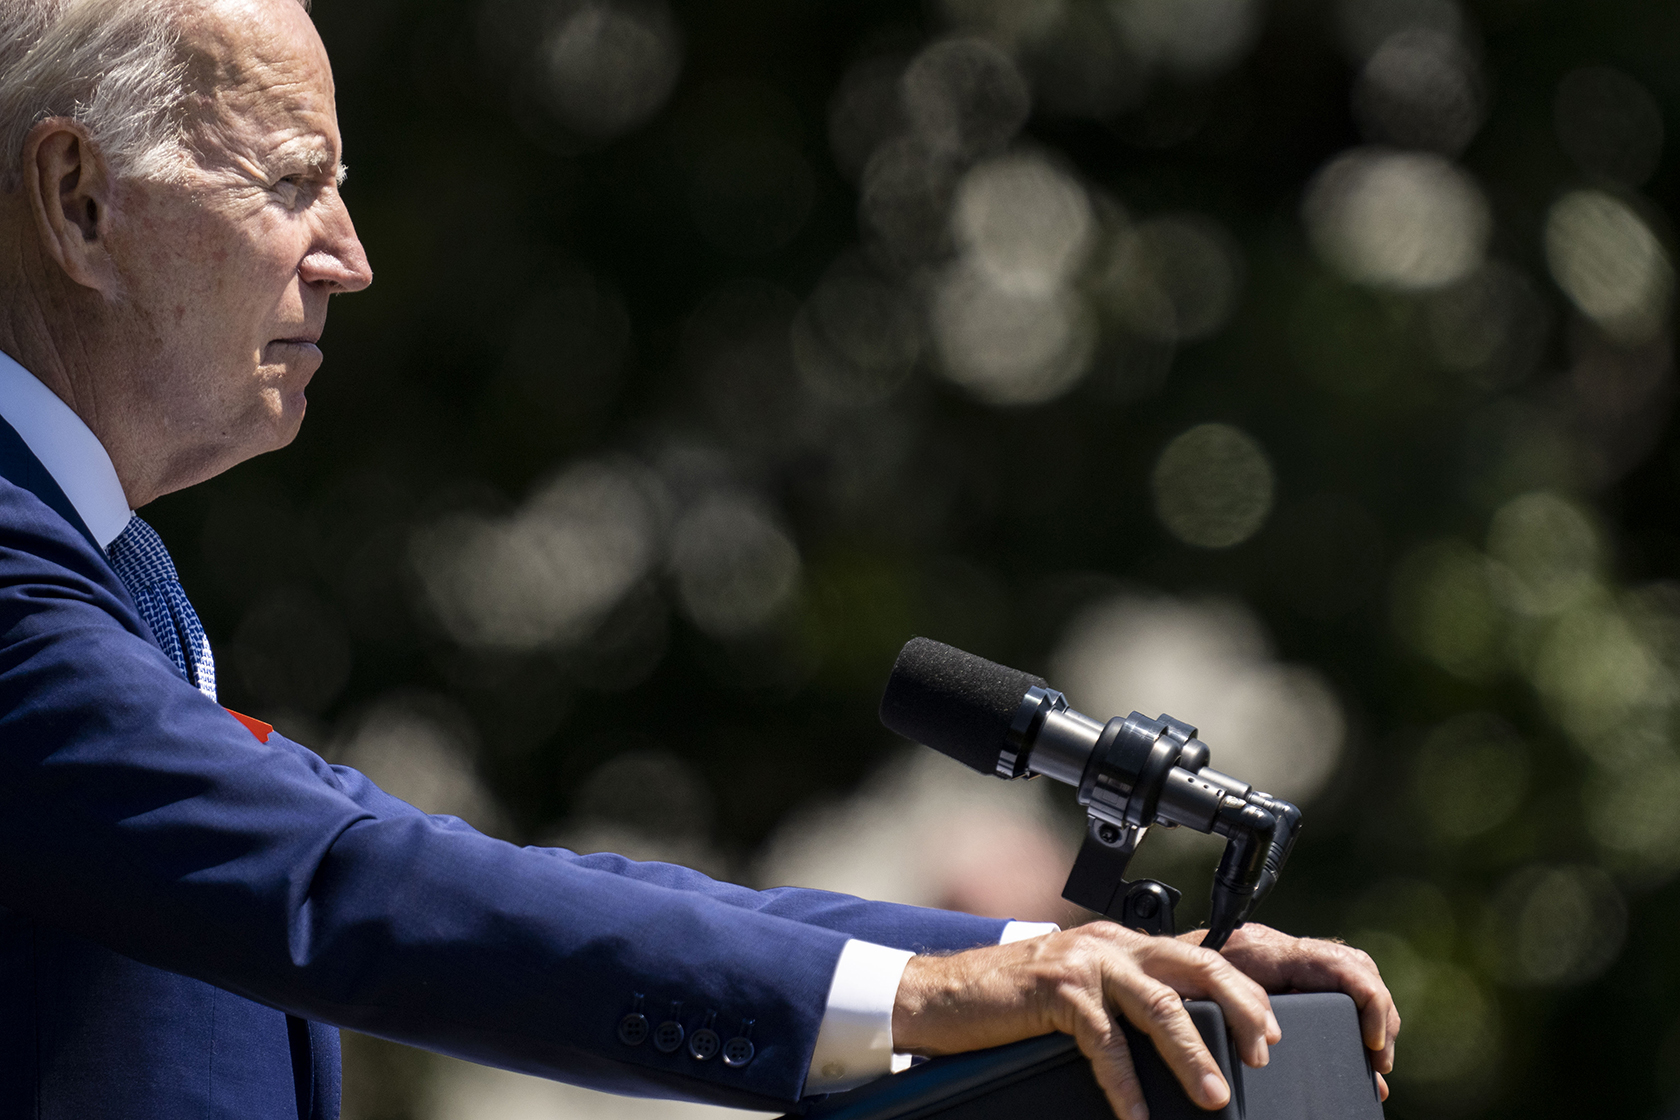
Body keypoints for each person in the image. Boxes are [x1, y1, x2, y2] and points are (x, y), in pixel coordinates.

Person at [0, 1, 1401, 1118]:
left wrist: (1034, 965)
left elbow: (432, 861)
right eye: (291, 181)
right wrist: (917, 1000)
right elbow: (347, 885)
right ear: (79, 202)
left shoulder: (92, 557)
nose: (348, 257)